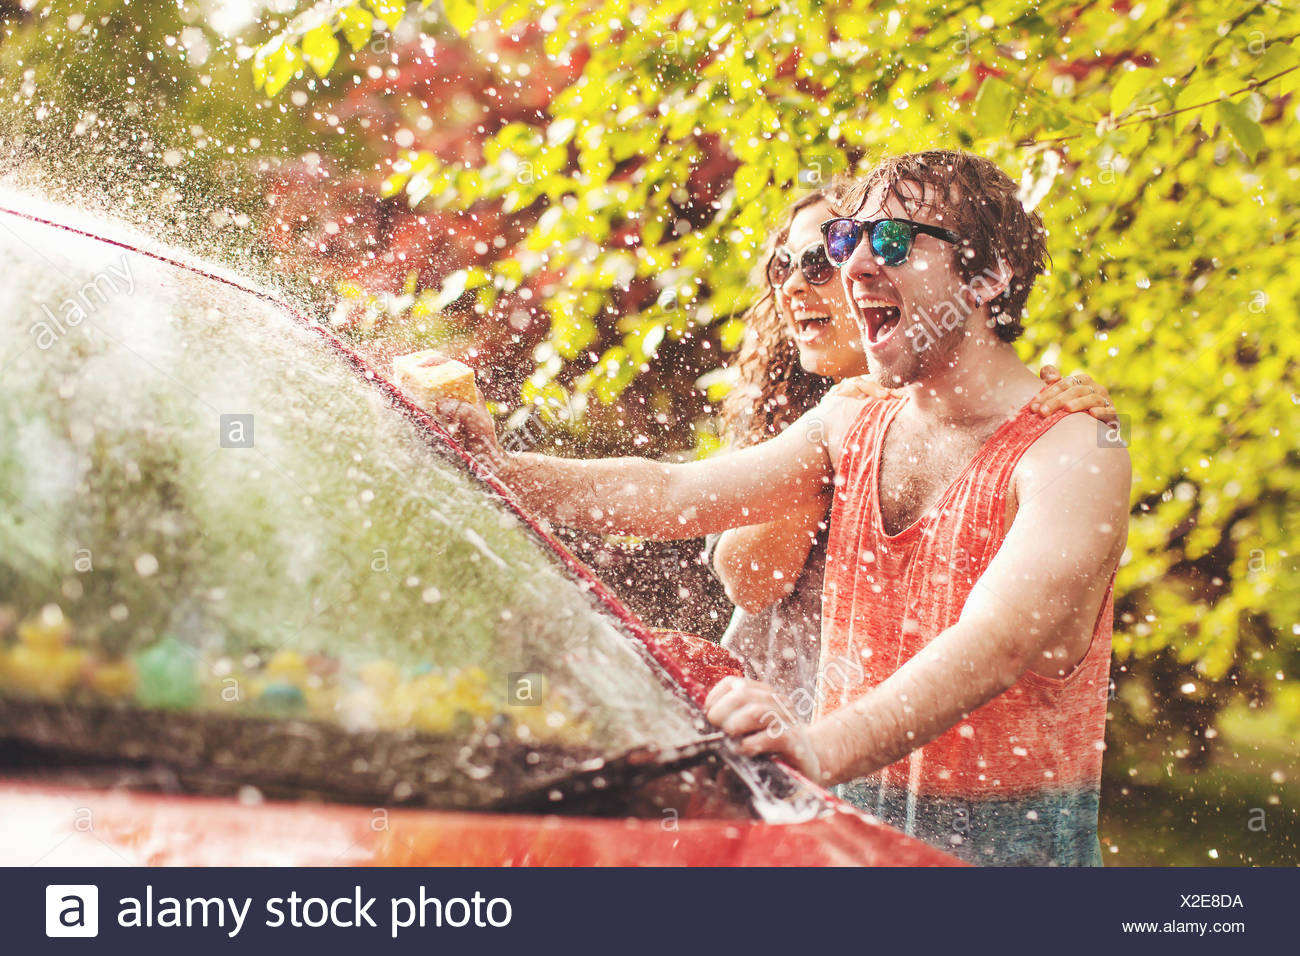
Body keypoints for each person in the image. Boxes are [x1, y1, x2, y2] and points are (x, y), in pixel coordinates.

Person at [432, 149, 1131, 865]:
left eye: (892, 240)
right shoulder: (852, 421)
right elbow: (670, 494)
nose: (856, 264)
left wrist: (813, 746)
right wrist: (499, 470)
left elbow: (997, 642)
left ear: (988, 279)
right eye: (846, 239)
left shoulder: (1077, 451)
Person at [711, 188, 1116, 711]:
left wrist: (1087, 421)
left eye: (820, 261)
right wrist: (845, 432)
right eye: (781, 265)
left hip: (914, 741)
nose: (791, 285)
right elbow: (748, 580)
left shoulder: (987, 416)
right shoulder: (802, 414)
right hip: (766, 724)